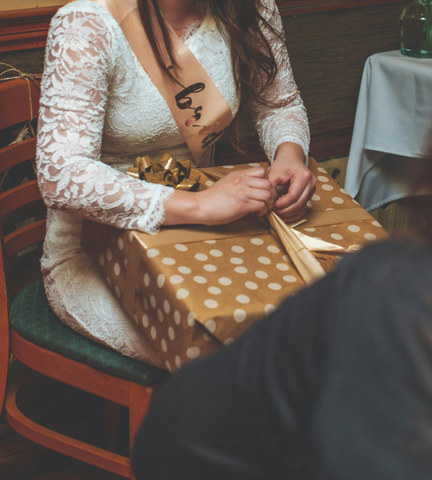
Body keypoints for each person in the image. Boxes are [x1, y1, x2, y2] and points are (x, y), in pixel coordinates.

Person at [35, 0, 314, 367]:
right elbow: (61, 174)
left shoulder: (248, 7)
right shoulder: (88, 22)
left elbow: (280, 104)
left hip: (209, 235)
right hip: (96, 252)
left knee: (304, 327)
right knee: (227, 356)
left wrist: (290, 155)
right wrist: (200, 207)